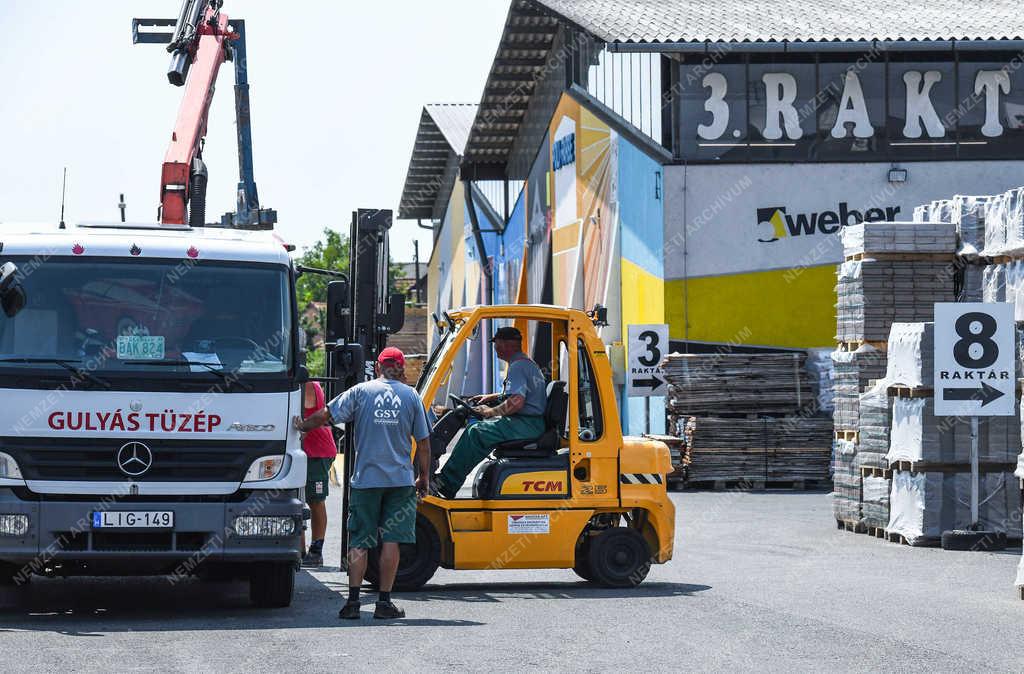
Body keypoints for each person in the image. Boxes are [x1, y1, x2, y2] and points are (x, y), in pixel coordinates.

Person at [294, 346, 431, 620]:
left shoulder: (361, 391)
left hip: (366, 481)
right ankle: (384, 603)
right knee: (392, 541)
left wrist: (303, 426)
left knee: (360, 539)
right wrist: (424, 476)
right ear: (402, 370)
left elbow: (326, 416)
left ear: (378, 367)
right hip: (399, 482)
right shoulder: (412, 396)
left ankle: (353, 603)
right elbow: (424, 443)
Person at [432, 326, 547, 499]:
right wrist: (491, 397)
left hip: (525, 424)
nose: (495, 348)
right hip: (527, 423)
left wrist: (490, 412)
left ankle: (446, 483)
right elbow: (518, 394)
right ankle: (447, 480)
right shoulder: (525, 364)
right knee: (476, 430)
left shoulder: (518, 367)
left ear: (507, 345)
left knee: (476, 433)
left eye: (497, 344)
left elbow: (516, 402)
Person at [299, 380, 336, 568]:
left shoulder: (308, 386)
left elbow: (305, 414)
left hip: (317, 453)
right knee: (296, 500)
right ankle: (299, 550)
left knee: (315, 500)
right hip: (301, 451)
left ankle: (316, 551)